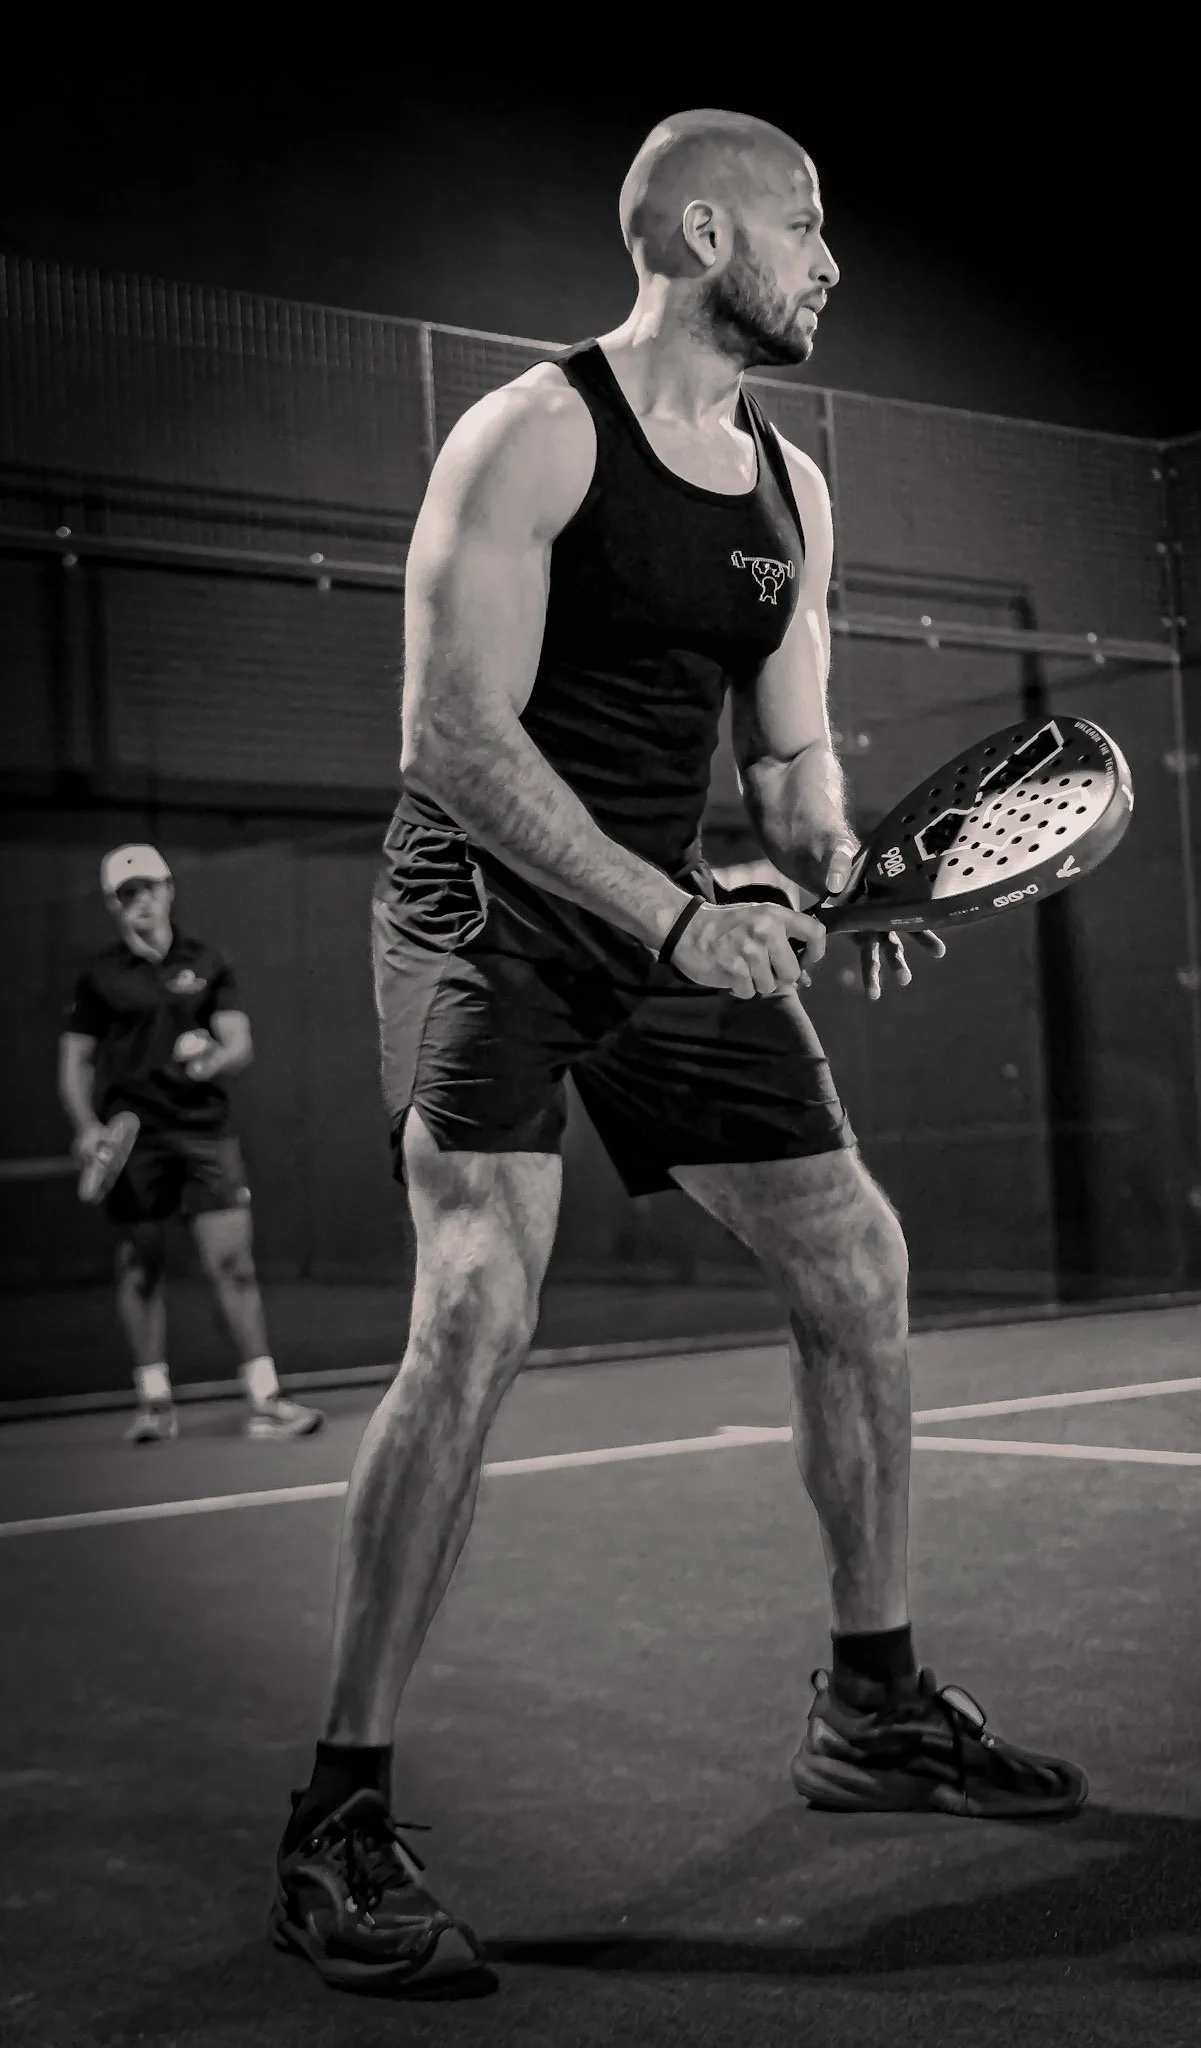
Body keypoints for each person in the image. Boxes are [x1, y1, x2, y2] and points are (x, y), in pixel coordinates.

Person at [271, 108, 1088, 1994]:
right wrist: (672, 917)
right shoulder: (533, 431)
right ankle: (335, 1816)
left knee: (850, 1256)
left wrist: (834, 869)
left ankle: (871, 1709)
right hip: (484, 902)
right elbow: (451, 739)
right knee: (476, 1297)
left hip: (663, 902)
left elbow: (791, 764)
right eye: (804, 226)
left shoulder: (791, 491)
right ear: (699, 231)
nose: (826, 261)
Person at [58, 843, 324, 1445]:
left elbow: (239, 1043)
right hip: (132, 1140)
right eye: (127, 895)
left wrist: (210, 1063)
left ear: (169, 889)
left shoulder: (207, 961)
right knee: (140, 1266)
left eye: (148, 888)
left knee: (232, 1263)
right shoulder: (98, 978)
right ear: (112, 906)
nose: (141, 902)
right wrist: (85, 1126)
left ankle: (265, 1399)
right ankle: (154, 1402)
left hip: (204, 1134)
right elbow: (75, 1062)